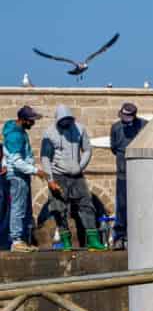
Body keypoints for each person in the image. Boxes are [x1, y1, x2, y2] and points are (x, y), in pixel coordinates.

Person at [40, 105, 100, 250]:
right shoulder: (49, 133)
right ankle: (66, 241)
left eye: (68, 119)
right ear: (58, 120)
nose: (66, 123)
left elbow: (87, 149)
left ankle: (93, 240)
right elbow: (45, 158)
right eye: (63, 120)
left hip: (77, 176)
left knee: (87, 206)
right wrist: (50, 180)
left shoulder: (80, 129)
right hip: (58, 176)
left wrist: (81, 166)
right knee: (59, 209)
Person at [108, 102, 144, 248]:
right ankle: (120, 236)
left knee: (140, 205)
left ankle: (137, 236)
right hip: (123, 174)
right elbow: (114, 148)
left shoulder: (144, 126)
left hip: (140, 175)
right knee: (122, 206)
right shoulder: (116, 127)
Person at [4, 106, 39, 251]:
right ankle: (16, 241)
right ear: (23, 120)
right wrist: (36, 171)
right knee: (18, 208)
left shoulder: (20, 132)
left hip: (22, 175)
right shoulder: (15, 135)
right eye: (31, 121)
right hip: (18, 176)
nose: (33, 123)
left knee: (23, 208)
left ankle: (22, 240)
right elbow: (17, 161)